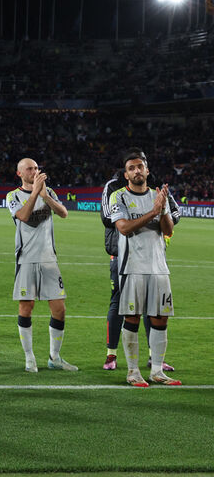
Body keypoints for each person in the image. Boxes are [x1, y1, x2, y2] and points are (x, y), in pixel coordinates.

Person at [100, 151, 179, 371]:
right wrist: (153, 212)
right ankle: (122, 363)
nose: (137, 171)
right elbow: (119, 226)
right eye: (132, 168)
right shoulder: (117, 193)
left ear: (147, 170)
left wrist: (162, 210)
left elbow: (169, 228)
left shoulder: (158, 193)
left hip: (158, 265)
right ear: (126, 173)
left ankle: (157, 366)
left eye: (140, 166)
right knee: (129, 313)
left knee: (159, 316)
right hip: (128, 263)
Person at [6, 158, 77, 373]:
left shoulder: (49, 192)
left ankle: (54, 357)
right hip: (26, 258)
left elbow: (64, 213)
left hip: (49, 259)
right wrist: (36, 193)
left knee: (59, 309)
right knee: (26, 309)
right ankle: (29, 358)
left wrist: (45, 195)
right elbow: (24, 217)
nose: (34, 171)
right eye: (30, 168)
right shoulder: (13, 196)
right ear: (19, 173)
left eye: (36, 168)